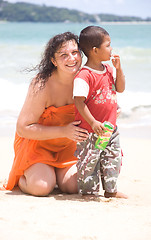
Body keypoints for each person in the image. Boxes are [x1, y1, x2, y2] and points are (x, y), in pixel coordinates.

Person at [4, 32, 88, 196]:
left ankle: (56, 174)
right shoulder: (42, 83)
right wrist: (64, 130)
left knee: (74, 186)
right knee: (41, 187)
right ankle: (21, 179)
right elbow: (23, 128)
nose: (71, 59)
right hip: (37, 144)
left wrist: (111, 111)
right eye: (63, 55)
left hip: (67, 145)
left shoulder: (86, 79)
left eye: (74, 52)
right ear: (53, 61)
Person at [73, 26, 127, 198]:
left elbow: (120, 89)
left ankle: (111, 191)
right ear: (95, 50)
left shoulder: (108, 70)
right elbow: (79, 103)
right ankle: (89, 192)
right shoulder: (84, 76)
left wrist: (118, 69)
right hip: (90, 132)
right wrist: (93, 122)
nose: (111, 49)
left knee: (112, 159)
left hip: (110, 129)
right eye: (108, 45)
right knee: (89, 162)